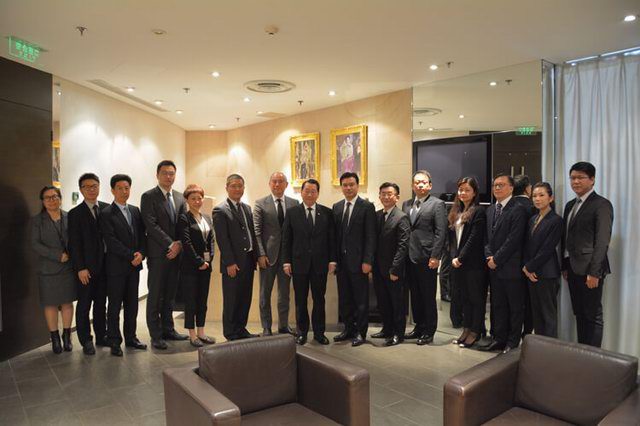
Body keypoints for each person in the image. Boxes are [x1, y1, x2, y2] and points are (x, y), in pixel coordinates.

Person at [561, 161, 613, 348]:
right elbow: (566, 238)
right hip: (572, 268)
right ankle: (582, 352)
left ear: (592, 180)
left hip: (591, 270)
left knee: (593, 315)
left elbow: (602, 241)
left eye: (580, 178)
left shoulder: (601, 204)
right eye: (572, 178)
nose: (575, 181)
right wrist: (565, 266)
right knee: (580, 313)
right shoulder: (570, 205)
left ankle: (593, 356)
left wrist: (594, 272)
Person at [140, 160, 188, 350]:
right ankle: (156, 335)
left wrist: (179, 244)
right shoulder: (148, 196)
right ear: (157, 175)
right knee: (156, 295)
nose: (169, 176)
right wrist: (171, 244)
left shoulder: (179, 197)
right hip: (158, 254)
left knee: (170, 295)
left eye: (172, 173)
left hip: (176, 254)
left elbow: (183, 224)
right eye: (165, 173)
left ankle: (169, 329)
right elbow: (150, 225)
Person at [282, 179, 336, 345]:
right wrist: (286, 262)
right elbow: (286, 239)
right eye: (307, 191)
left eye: (313, 191)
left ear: (318, 193)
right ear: (301, 192)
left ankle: (319, 333)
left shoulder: (327, 212)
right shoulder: (292, 212)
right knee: (300, 300)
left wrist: (332, 260)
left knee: (319, 299)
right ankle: (302, 332)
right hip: (299, 264)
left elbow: (332, 239)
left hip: (320, 264)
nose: (310, 194)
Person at [99, 174, 148, 356]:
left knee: (132, 305)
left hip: (134, 267)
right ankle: (114, 340)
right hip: (116, 267)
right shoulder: (106, 213)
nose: (124, 191)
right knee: (114, 306)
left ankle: (131, 338)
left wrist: (141, 253)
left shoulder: (135, 211)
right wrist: (131, 255)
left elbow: (142, 235)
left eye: (126, 188)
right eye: (119, 188)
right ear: (112, 190)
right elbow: (111, 241)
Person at [480, 173, 527, 354]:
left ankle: (512, 342)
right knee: (498, 305)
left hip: (511, 267)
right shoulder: (491, 209)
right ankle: (499, 339)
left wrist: (496, 259)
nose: (497, 188)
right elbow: (487, 238)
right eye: (495, 185)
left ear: (511, 188)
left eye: (501, 185)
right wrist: (489, 257)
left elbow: (514, 240)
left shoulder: (518, 209)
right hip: (493, 267)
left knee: (514, 307)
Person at [402, 170, 447, 346]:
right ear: (412, 185)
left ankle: (429, 331)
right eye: (417, 182)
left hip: (427, 257)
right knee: (415, 296)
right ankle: (418, 327)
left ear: (430, 185)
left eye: (424, 182)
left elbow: (441, 232)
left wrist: (435, 256)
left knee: (428, 296)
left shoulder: (437, 204)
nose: (420, 185)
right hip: (410, 256)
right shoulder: (406, 204)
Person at [332, 172, 376, 347]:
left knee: (361, 300)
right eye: (345, 185)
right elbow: (334, 236)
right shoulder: (336, 207)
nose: (348, 188)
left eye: (351, 184)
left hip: (359, 263)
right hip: (341, 263)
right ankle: (348, 329)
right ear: (341, 187)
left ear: (357, 186)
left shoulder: (367, 207)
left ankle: (361, 332)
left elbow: (371, 236)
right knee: (345, 299)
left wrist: (368, 261)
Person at [31, 186, 77, 354]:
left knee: (67, 302)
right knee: (50, 303)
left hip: (68, 267)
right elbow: (35, 244)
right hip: (48, 269)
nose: (52, 200)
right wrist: (56, 255)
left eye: (55, 196)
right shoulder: (37, 221)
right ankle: (55, 337)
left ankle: (67, 336)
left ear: (60, 198)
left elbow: (76, 239)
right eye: (47, 197)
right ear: (43, 201)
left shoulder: (69, 217)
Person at [213, 174, 259, 341]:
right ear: (227, 188)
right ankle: (231, 333)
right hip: (233, 263)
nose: (237, 189)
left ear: (244, 188)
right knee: (232, 299)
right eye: (233, 186)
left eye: (240, 186)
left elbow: (251, 233)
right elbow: (222, 240)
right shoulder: (220, 210)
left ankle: (241, 329)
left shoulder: (246, 208)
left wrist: (256, 256)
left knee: (245, 298)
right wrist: (230, 262)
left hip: (248, 260)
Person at [68, 173, 109, 355]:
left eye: (94, 186)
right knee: (84, 306)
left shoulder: (107, 209)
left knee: (101, 304)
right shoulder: (75, 214)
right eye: (87, 187)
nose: (91, 189)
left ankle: (101, 336)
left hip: (105, 268)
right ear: (81, 190)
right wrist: (80, 268)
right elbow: (74, 243)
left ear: (99, 187)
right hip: (86, 269)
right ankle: (86, 340)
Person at [253, 172, 299, 336]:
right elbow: (257, 231)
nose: (277, 184)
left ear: (286, 184)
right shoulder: (260, 203)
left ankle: (283, 325)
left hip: (286, 257)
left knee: (284, 294)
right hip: (267, 256)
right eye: (274, 181)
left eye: (280, 181)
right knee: (264, 293)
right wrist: (260, 254)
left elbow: (295, 232)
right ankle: (266, 326)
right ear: (269, 184)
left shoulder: (294, 203)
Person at [447, 177, 486, 348]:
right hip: (457, 263)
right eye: (461, 189)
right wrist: (453, 257)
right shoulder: (456, 211)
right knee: (464, 299)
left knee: (475, 299)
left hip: (473, 264)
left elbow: (474, 239)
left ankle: (476, 332)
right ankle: (466, 329)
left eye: (467, 190)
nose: (463, 193)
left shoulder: (479, 211)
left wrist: (460, 258)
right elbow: (452, 240)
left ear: (474, 192)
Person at [372, 182, 410, 347]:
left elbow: (403, 246)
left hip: (394, 270)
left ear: (397, 197)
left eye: (389, 194)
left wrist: (395, 269)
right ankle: (386, 329)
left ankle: (398, 334)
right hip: (378, 268)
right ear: (379, 196)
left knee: (396, 303)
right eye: (383, 194)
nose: (386, 197)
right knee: (383, 302)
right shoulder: (377, 215)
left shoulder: (402, 217)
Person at [522, 182, 562, 338]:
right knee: (536, 313)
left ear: (550, 198)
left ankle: (550, 348)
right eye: (534, 196)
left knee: (548, 314)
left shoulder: (556, 220)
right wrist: (526, 267)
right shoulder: (533, 219)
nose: (537, 199)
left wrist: (529, 267)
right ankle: (539, 347)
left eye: (541, 195)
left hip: (547, 272)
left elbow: (547, 249)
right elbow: (526, 245)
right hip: (531, 273)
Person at [177, 184, 216, 347]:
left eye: (199, 198)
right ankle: (192, 335)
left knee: (202, 300)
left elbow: (211, 240)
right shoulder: (184, 218)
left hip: (206, 266)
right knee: (191, 301)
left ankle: (201, 332)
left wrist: (209, 260)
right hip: (190, 267)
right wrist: (199, 261)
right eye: (193, 198)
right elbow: (186, 243)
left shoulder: (206, 217)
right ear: (187, 200)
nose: (197, 201)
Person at [512, 174, 536, 336]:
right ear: (528, 189)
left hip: (508, 263)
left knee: (512, 303)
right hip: (529, 262)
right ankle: (526, 333)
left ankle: (512, 334)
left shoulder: (507, 206)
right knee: (528, 302)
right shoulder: (533, 207)